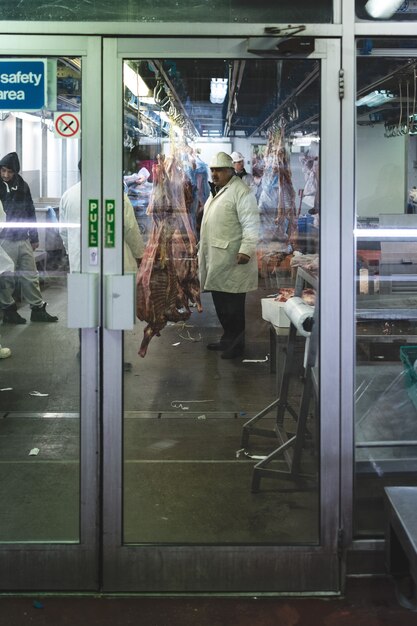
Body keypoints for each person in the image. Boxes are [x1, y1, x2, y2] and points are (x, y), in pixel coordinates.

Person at [198, 151, 260, 359]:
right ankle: (227, 339)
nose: (214, 174)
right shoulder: (216, 191)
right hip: (217, 258)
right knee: (221, 304)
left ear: (230, 171)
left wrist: (246, 250)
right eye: (212, 170)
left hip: (233, 259)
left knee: (234, 307)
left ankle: (237, 346)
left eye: (219, 171)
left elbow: (251, 224)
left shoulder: (241, 191)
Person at [0, 152, 58, 324]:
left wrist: (33, 237)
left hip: (23, 238)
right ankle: (8, 310)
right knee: (6, 277)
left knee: (30, 275)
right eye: (3, 170)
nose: (6, 175)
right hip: (4, 240)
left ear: (16, 172)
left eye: (10, 172)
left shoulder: (22, 185)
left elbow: (30, 211)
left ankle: (38, 309)